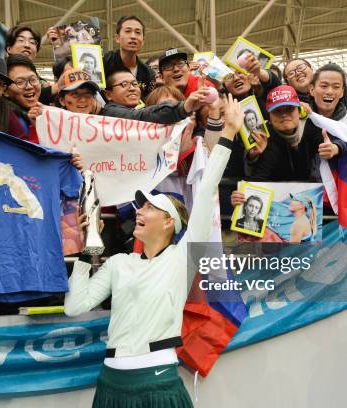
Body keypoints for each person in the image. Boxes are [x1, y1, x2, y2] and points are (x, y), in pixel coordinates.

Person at [64, 93, 245, 408]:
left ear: (169, 223)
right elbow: (75, 306)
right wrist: (85, 249)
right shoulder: (119, 263)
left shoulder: (182, 258)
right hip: (109, 386)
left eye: (150, 207)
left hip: (158, 384)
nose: (140, 211)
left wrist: (228, 132)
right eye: (140, 206)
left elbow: (204, 193)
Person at [244, 85, 346, 181]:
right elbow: (258, 176)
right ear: (269, 116)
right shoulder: (263, 137)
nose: (284, 115)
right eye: (277, 111)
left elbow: (342, 144)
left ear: (299, 111)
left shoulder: (311, 126)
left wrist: (335, 148)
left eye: (289, 109)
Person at [101, 69, 210, 124]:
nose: (132, 88)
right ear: (108, 94)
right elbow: (141, 116)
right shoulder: (109, 113)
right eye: (124, 84)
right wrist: (184, 107)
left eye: (135, 84)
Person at [283, 58, 347, 119]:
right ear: (288, 83)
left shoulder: (336, 93)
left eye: (300, 67)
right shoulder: (292, 105)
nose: (298, 73)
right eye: (291, 73)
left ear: (311, 68)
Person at [102, 16, 156, 99]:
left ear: (143, 41)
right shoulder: (103, 62)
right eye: (128, 31)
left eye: (138, 32)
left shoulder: (148, 74)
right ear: (117, 38)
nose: (133, 36)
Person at [308, 63, 347, 129]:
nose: (330, 92)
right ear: (312, 89)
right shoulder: (299, 122)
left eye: (336, 87)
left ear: (342, 92)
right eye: (324, 86)